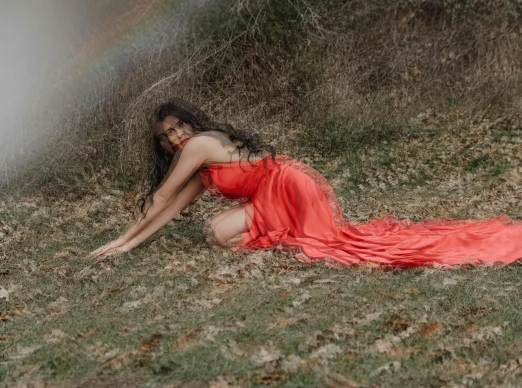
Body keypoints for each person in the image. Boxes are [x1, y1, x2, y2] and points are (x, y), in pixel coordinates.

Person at [91, 99, 522, 267]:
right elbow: (173, 205)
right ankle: (288, 235)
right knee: (215, 234)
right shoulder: (199, 163)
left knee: (345, 245)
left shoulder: (200, 144)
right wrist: (134, 241)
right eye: (165, 137)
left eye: (177, 127)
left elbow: (163, 194)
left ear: (190, 123)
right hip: (275, 191)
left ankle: (294, 235)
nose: (173, 137)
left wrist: (123, 242)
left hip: (291, 184)